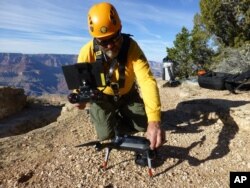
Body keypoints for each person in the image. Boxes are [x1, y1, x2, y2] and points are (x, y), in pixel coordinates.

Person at [75, 2, 165, 154]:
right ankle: (102, 116)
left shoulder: (132, 48)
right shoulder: (87, 52)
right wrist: (80, 100)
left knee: (144, 124)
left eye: (114, 38)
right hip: (102, 98)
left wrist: (154, 121)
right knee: (105, 135)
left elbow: (146, 81)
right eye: (103, 41)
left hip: (128, 95)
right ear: (96, 39)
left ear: (120, 29)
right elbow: (80, 84)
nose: (110, 46)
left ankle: (116, 116)